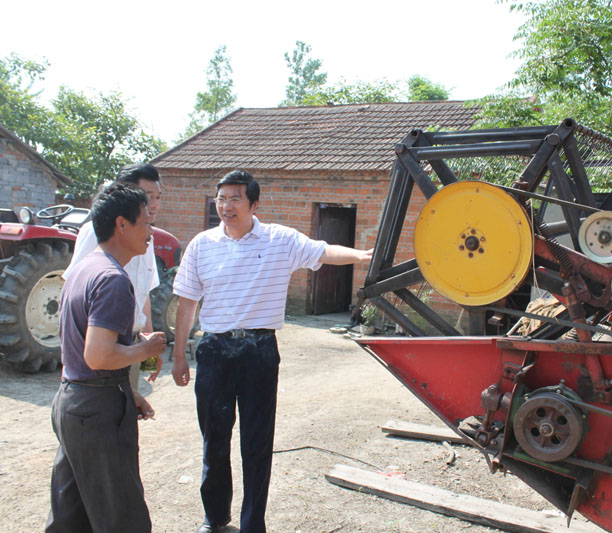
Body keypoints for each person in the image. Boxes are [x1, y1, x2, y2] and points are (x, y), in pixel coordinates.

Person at [170, 170, 372, 533]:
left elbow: (323, 250)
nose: (226, 206)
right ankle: (215, 518)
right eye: (221, 198)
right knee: (214, 439)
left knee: (257, 442)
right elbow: (187, 302)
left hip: (259, 352)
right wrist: (180, 355)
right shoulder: (201, 244)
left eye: (235, 199)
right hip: (214, 351)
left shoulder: (280, 239)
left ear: (254, 205)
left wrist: (361, 255)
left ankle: (252, 525)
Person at [47, 182, 167, 533]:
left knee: (71, 516)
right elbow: (98, 355)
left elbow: (84, 352)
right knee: (123, 518)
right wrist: (145, 350)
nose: (151, 232)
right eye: (146, 222)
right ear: (122, 225)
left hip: (74, 400)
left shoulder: (84, 268)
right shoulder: (113, 279)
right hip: (96, 412)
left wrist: (125, 390)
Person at [62, 163, 163, 390]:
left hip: (131, 345)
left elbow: (143, 296)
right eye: (148, 196)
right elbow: (75, 290)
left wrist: (148, 351)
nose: (154, 204)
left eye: (158, 197)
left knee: (125, 403)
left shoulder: (146, 238)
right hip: (102, 345)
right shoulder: (96, 233)